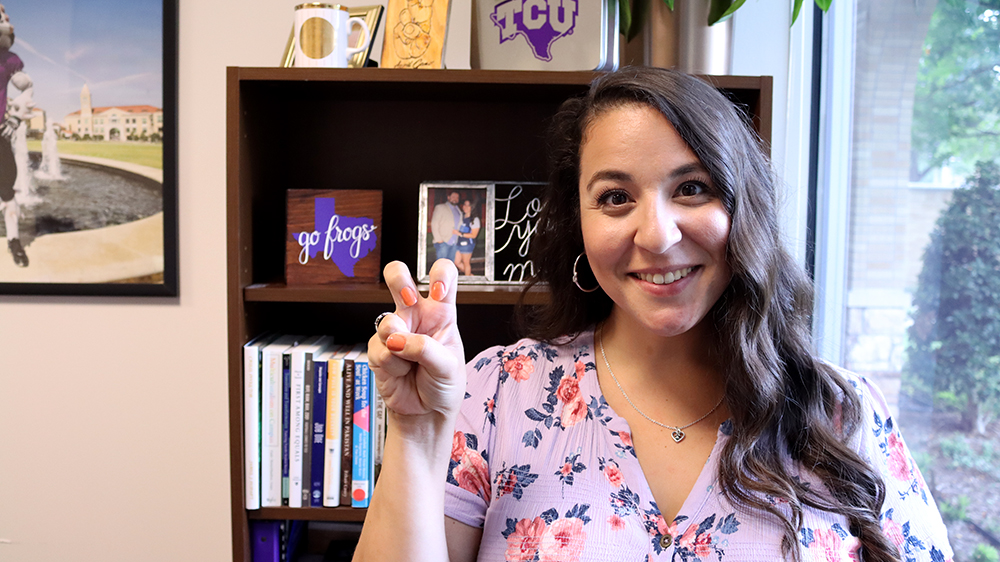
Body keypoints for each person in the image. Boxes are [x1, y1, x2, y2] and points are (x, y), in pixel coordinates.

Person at [358, 67, 952, 562]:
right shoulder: (496, 396)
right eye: (615, 197)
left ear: (745, 207)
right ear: (579, 223)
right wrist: (414, 433)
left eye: (692, 188)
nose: (658, 235)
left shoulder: (842, 413)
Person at [0, 3, 30, 267]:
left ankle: (13, 240)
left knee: (7, 190)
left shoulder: (9, 60)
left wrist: (16, 116)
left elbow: (27, 87)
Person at [431, 190, 462, 262]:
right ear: (448, 197)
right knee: (441, 265)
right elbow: (434, 224)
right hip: (443, 242)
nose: (455, 199)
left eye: (457, 197)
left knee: (450, 265)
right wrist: (439, 240)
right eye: (453, 197)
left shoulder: (458, 210)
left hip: (455, 243)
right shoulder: (440, 207)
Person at [453, 199, 481, 276]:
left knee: (466, 263)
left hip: (468, 244)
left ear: (472, 207)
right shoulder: (462, 217)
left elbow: (474, 235)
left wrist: (460, 234)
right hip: (459, 243)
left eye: (468, 205)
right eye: (464, 204)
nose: (465, 206)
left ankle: (467, 279)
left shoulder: (475, 220)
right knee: (457, 262)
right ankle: (470, 276)